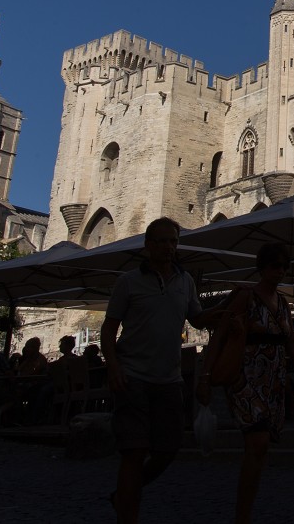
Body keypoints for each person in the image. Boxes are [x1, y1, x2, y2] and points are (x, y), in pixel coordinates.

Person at [102, 217, 225, 524]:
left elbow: (197, 319)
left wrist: (228, 308)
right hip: (133, 376)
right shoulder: (128, 282)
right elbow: (109, 328)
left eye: (173, 242)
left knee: (168, 450)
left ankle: (124, 493)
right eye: (163, 241)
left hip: (169, 379)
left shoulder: (185, 281)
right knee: (133, 451)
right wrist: (113, 366)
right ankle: (127, 514)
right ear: (148, 246)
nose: (169, 247)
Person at [200, 243, 294, 524]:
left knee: (260, 448)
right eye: (274, 266)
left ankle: (245, 509)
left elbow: (293, 344)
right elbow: (220, 335)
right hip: (245, 377)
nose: (280, 272)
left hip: (273, 381)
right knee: (257, 442)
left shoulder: (282, 304)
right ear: (262, 268)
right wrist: (206, 376)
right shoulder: (245, 297)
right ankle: (242, 516)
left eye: (284, 267)